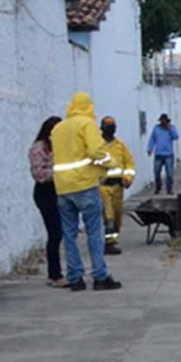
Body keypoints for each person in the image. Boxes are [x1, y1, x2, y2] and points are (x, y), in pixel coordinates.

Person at [51, 92, 120, 291]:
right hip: (85, 184)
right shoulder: (86, 124)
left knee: (69, 233)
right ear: (88, 107)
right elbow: (95, 151)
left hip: (63, 187)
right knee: (94, 231)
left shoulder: (58, 128)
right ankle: (100, 276)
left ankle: (75, 278)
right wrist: (111, 163)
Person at [29, 116, 67, 287]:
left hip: (59, 191)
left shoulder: (59, 146)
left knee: (61, 232)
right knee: (55, 232)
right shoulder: (39, 149)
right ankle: (54, 274)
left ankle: (57, 272)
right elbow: (39, 175)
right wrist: (58, 171)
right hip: (46, 192)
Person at [98, 116, 137, 254]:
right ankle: (109, 243)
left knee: (116, 216)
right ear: (102, 128)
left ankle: (113, 239)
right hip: (103, 187)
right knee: (108, 216)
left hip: (118, 187)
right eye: (108, 126)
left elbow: (129, 163)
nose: (110, 129)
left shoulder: (120, 146)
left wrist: (127, 178)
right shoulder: (97, 145)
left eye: (112, 126)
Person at [147, 113, 178, 194]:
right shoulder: (156, 128)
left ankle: (169, 189)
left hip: (168, 155)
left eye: (164, 121)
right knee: (156, 173)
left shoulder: (171, 128)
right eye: (162, 121)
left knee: (170, 174)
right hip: (158, 155)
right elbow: (152, 139)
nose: (163, 122)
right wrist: (150, 149)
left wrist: (169, 128)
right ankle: (158, 187)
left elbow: (176, 136)